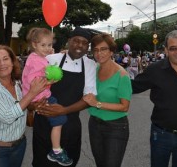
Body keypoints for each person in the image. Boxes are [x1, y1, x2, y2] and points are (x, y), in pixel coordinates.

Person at [131, 30, 177, 167]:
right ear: (166, 50)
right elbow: (131, 87)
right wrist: (113, 71)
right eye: (173, 48)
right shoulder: (154, 70)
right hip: (161, 135)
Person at [31, 27, 97, 167]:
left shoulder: (90, 65)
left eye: (84, 43)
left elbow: (88, 99)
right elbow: (32, 84)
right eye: (76, 41)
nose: (79, 45)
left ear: (87, 47)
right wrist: (35, 105)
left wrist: (63, 111)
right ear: (68, 41)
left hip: (70, 125)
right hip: (44, 123)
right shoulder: (51, 59)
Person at [0, 45, 49, 167]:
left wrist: (34, 105)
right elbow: (8, 117)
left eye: (6, 59)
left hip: (19, 145)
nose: (2, 64)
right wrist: (32, 93)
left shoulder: (19, 83)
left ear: (12, 61)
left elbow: (25, 107)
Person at [22, 27, 72, 166]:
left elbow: (44, 65)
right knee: (60, 119)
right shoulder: (36, 61)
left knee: (56, 120)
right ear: (34, 44)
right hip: (40, 97)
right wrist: (50, 81)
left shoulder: (36, 57)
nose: (47, 48)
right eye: (43, 45)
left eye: (49, 45)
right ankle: (56, 151)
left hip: (40, 96)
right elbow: (34, 82)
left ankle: (55, 149)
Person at [83, 33, 132, 167]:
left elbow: (124, 106)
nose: (99, 53)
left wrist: (97, 104)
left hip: (116, 127)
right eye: (96, 50)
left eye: (103, 49)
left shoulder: (122, 75)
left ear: (111, 51)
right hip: (94, 124)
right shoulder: (94, 69)